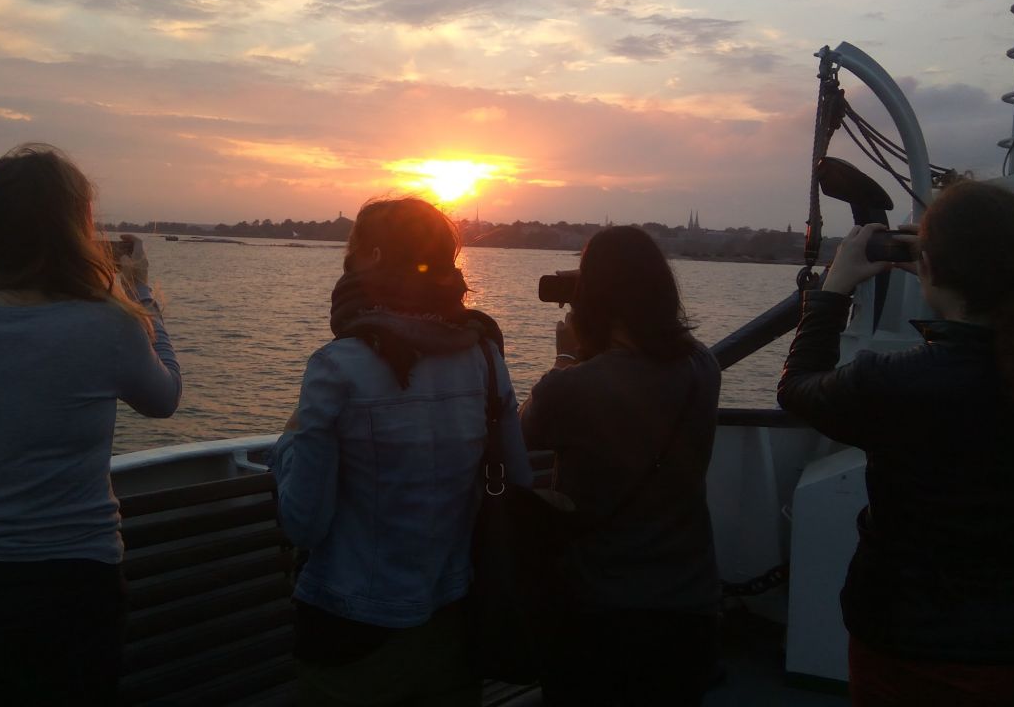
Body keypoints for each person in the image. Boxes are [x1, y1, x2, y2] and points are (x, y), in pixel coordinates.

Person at [0, 144, 182, 707]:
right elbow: (165, 397)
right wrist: (138, 292)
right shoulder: (106, 323)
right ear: (76, 228)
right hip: (72, 584)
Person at [778, 180, 1014, 706]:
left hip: (908, 640)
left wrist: (832, 291)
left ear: (931, 267)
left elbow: (797, 389)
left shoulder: (893, 383)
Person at [271, 196, 532, 706]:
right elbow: (517, 482)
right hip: (454, 622)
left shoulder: (336, 367)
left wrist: (287, 444)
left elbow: (303, 523)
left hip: (351, 631)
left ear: (369, 258)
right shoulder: (483, 355)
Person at [518, 225, 722, 706]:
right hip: (690, 605)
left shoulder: (570, 387)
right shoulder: (703, 367)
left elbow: (523, 437)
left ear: (594, 298)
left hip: (600, 608)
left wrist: (567, 355)